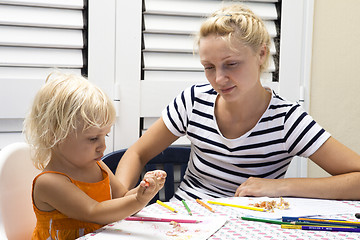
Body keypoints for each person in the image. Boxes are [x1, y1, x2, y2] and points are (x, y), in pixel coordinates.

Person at [115, 3, 360, 201]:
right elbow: (137, 152)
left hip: (247, 226)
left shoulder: (287, 120)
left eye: (231, 64)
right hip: (186, 222)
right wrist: (119, 200)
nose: (219, 79)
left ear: (261, 54)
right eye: (209, 67)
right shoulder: (193, 101)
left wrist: (278, 187)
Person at [24, 72, 166, 240]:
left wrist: (143, 191)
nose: (103, 146)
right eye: (93, 138)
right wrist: (138, 200)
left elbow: (122, 199)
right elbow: (94, 212)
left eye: (104, 136)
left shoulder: (97, 166)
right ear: (55, 135)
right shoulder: (50, 182)